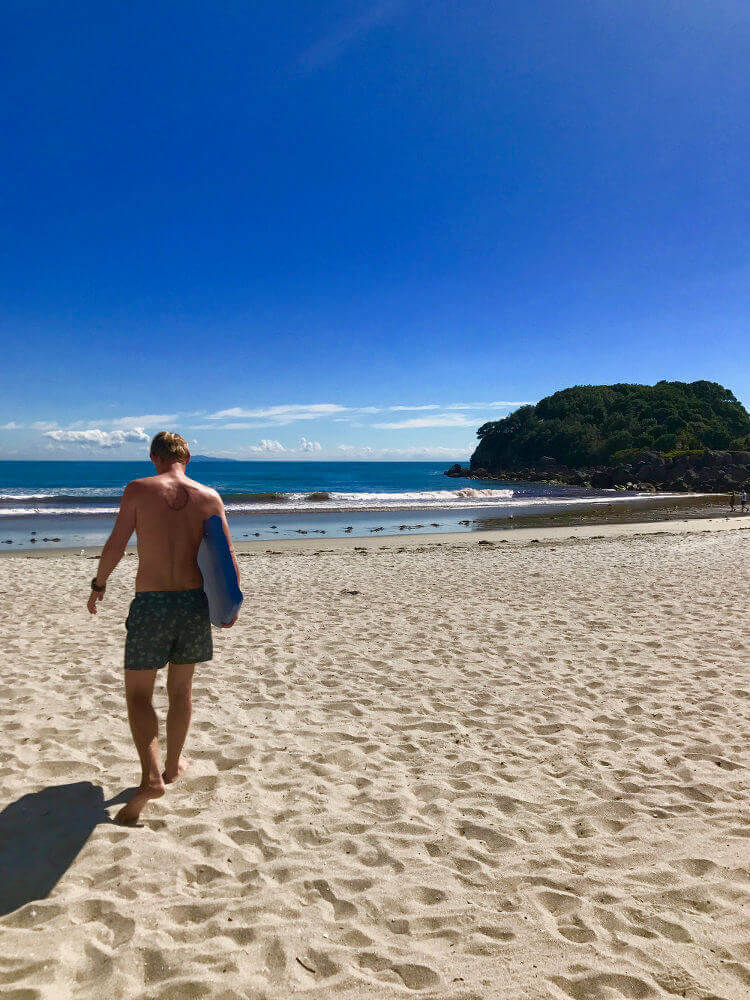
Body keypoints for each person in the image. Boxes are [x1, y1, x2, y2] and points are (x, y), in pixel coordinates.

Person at [87, 431, 239, 824]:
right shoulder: (210, 497)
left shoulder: (138, 489)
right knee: (181, 689)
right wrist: (231, 604)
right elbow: (226, 557)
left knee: (138, 695)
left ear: (153, 457)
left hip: (152, 603)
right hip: (192, 603)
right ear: (186, 457)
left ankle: (152, 777)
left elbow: (117, 545)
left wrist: (99, 584)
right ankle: (173, 766)